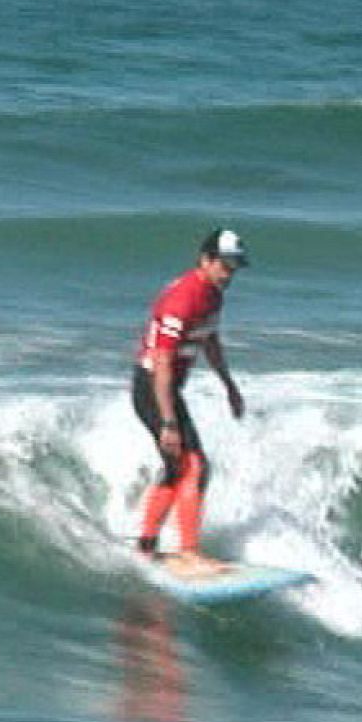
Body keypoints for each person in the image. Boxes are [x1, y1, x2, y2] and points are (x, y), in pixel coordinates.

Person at [131, 228, 248, 577]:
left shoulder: (213, 294)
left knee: (176, 467)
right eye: (226, 266)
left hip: (168, 389)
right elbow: (162, 361)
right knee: (194, 467)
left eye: (235, 267)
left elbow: (210, 341)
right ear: (206, 260)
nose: (231, 274)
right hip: (154, 388)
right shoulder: (182, 299)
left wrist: (229, 385)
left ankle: (146, 546)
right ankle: (188, 553)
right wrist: (168, 421)